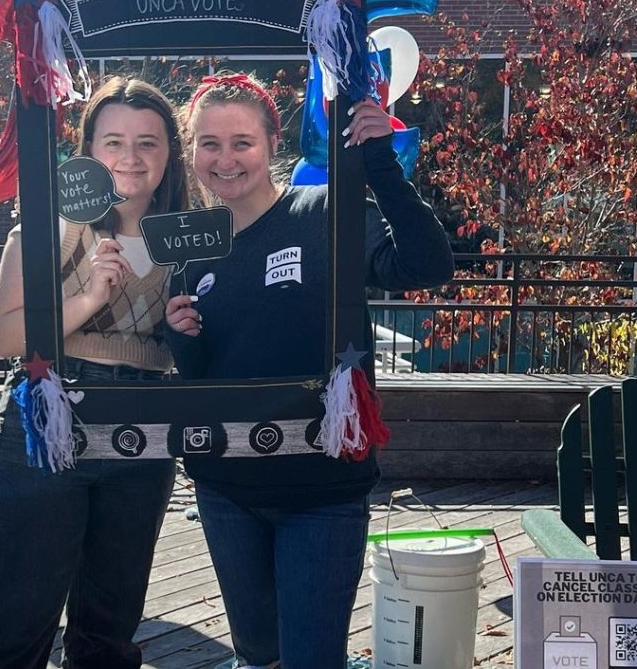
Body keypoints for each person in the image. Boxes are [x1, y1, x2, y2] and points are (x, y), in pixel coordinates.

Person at [165, 73, 454, 669]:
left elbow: (426, 265)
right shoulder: (193, 246)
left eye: (242, 142)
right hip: (225, 490)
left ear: (273, 143)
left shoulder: (325, 211)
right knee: (257, 657)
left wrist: (380, 163)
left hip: (321, 491)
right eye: (209, 144)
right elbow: (204, 370)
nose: (226, 159)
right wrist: (180, 336)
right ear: (191, 151)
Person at [0, 77, 190, 669]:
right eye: (113, 142)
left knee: (108, 632)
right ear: (88, 151)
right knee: (17, 620)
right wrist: (88, 298)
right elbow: (8, 336)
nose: (130, 158)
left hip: (144, 424)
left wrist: (185, 328)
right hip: (49, 416)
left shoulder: (191, 236)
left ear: (170, 154)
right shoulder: (50, 225)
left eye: (149, 142)